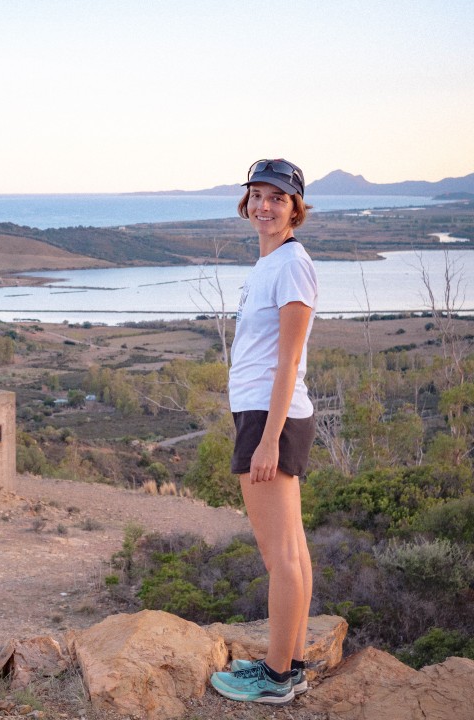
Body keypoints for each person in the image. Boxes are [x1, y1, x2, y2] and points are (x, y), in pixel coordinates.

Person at [210, 159, 317, 705]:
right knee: (292, 551)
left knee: (279, 556)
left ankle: (275, 677)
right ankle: (291, 666)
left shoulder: (291, 265)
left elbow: (288, 361)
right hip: (266, 414)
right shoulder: (271, 264)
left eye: (277, 197)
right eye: (256, 195)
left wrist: (269, 439)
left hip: (268, 418)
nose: (264, 206)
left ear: (295, 207)